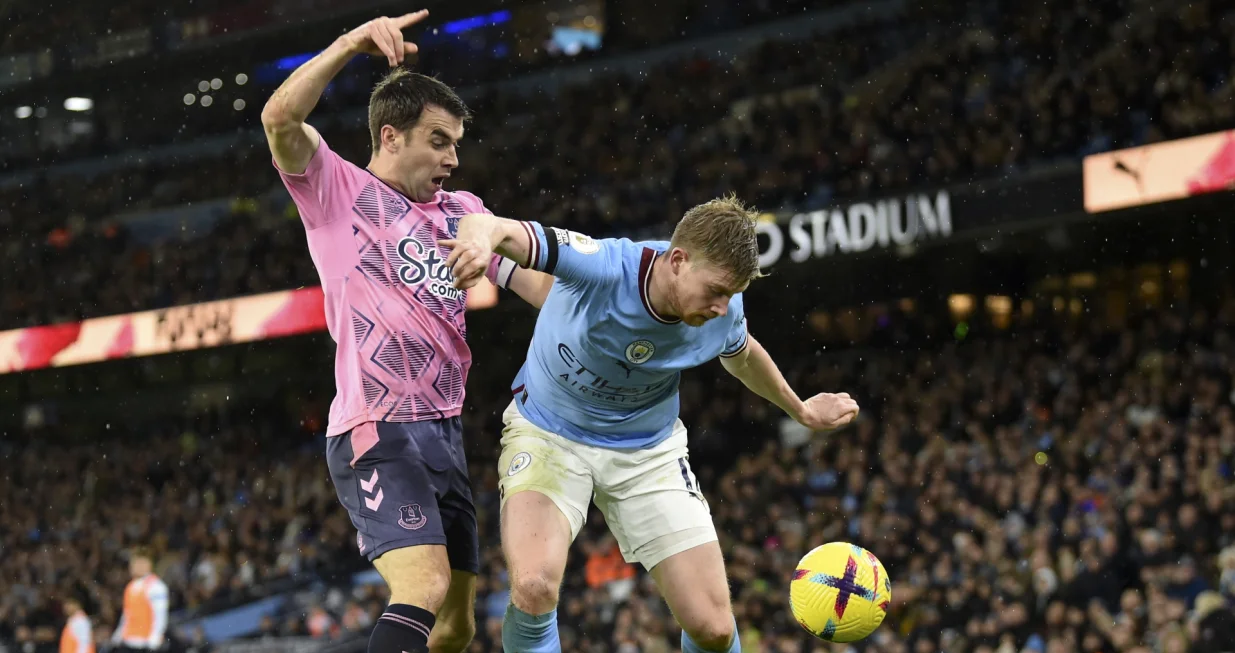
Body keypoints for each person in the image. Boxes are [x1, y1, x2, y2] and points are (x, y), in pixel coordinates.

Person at [442, 196, 860, 652]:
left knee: (714, 630)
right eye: (717, 290)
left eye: (732, 295)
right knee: (535, 586)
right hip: (549, 435)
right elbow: (504, 231)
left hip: (648, 451)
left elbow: (741, 356)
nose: (723, 307)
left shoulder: (724, 310)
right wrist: (481, 236)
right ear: (677, 261)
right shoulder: (607, 266)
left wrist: (800, 409)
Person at [260, 9, 549, 653]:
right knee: (422, 585)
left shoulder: (465, 213)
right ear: (391, 137)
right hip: (377, 426)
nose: (454, 158)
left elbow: (539, 285)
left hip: (444, 431)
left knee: (456, 623)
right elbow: (278, 120)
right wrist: (347, 43)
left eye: (456, 144)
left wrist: (614, 296)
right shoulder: (337, 191)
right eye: (439, 141)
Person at [110, 550, 168, 652]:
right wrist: (119, 634)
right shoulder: (130, 586)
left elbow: (160, 615)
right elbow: (127, 614)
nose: (133, 567)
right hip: (128, 641)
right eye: (133, 563)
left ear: (148, 564)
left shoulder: (156, 586)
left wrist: (155, 637)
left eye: (138, 563)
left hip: (145, 642)